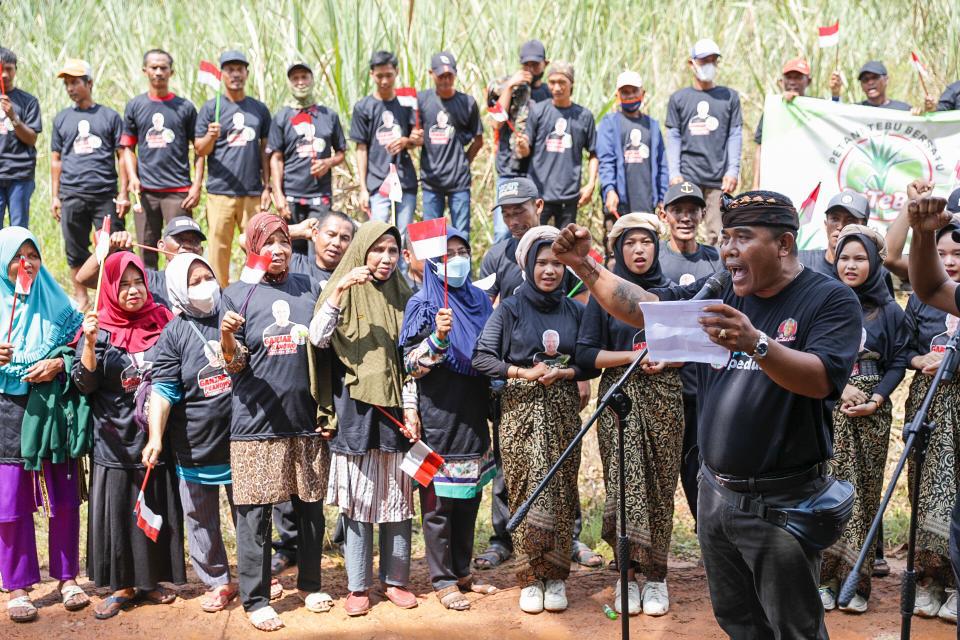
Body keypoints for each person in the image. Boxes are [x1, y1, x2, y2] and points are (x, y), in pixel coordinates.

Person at [552, 190, 862, 638]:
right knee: (739, 622)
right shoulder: (720, 291)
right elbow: (645, 310)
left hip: (781, 503)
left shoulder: (828, 300)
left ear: (784, 244)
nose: (728, 249)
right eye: (725, 237)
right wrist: (584, 265)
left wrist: (756, 343)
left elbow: (820, 380)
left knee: (794, 627)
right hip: (715, 496)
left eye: (742, 238)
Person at [473, 177, 597, 572]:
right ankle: (504, 536)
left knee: (564, 462)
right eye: (506, 213)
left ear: (538, 206)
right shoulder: (495, 257)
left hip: (560, 382)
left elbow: (580, 316)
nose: (513, 219)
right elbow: (488, 312)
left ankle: (570, 536)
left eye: (519, 210)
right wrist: (513, 374)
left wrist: (580, 376)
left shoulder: (564, 252)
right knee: (510, 465)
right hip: (514, 387)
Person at [218, 213, 328, 631]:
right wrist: (227, 336)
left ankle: (311, 583)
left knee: (311, 509)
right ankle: (256, 598)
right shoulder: (238, 295)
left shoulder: (310, 288)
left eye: (284, 241)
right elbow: (232, 365)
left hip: (306, 421)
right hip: (255, 426)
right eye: (268, 242)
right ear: (253, 248)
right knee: (254, 516)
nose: (278, 249)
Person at [577, 213, 684, 616]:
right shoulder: (603, 295)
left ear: (657, 247)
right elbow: (586, 355)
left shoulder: (671, 294)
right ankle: (625, 575)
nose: (638, 250)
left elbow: (690, 351)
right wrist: (634, 356)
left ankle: (655, 577)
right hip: (620, 399)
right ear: (617, 250)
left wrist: (668, 361)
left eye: (646, 242)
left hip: (665, 400)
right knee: (624, 486)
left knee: (659, 488)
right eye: (629, 243)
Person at [308, 221, 417, 617]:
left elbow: (408, 361)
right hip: (353, 410)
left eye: (392, 251)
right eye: (378, 250)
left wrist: (412, 406)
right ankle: (357, 586)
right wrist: (340, 289)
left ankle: (396, 580)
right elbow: (318, 337)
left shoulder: (405, 294)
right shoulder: (339, 290)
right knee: (357, 501)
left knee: (397, 497)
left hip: (395, 411)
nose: (386, 259)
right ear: (361, 252)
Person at [73, 251, 185, 620]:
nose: (134, 290)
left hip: (155, 433)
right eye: (124, 285)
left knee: (153, 501)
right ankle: (122, 585)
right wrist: (89, 344)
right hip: (114, 438)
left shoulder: (163, 319)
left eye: (139, 283)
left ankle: (151, 580)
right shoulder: (98, 327)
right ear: (110, 289)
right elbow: (85, 383)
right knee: (120, 509)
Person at [399, 226, 497, 610]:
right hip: (438, 415)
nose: (457, 260)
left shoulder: (478, 300)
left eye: (462, 251)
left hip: (473, 415)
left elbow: (491, 350)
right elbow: (409, 364)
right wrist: (437, 339)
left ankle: (462, 572)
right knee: (438, 505)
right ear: (433, 263)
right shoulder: (423, 305)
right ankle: (441, 581)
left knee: (469, 500)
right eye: (447, 254)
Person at [818, 225, 907, 614]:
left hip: (871, 414)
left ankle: (857, 582)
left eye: (860, 259)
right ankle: (824, 579)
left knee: (863, 494)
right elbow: (812, 356)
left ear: (873, 264)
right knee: (824, 490)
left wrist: (875, 397)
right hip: (827, 409)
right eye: (844, 258)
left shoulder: (888, 311)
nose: (850, 266)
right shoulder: (822, 304)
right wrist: (839, 391)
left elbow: (899, 361)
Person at [0, 227, 87, 623]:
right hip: (7, 409)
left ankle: (68, 578)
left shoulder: (58, 302)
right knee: (11, 501)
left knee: (64, 495)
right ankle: (17, 586)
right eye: (18, 256)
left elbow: (83, 347)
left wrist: (58, 364)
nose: (26, 263)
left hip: (53, 407)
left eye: (32, 254)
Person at [142, 253, 237, 613]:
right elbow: (163, 393)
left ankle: (257, 572)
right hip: (194, 442)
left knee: (249, 512)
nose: (204, 286)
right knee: (200, 516)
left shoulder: (231, 313)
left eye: (207, 277)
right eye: (194, 281)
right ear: (179, 289)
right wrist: (155, 438)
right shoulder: (174, 334)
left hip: (241, 437)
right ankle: (217, 581)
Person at [270, 209, 354, 578]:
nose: (336, 243)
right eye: (330, 234)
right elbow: (254, 241)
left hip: (338, 385)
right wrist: (294, 230)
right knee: (293, 469)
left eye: (344, 238)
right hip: (297, 382)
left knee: (341, 466)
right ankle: (288, 544)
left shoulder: (354, 275)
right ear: (315, 234)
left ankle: (342, 533)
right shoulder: (297, 269)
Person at [901, 211, 960, 621]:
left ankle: (956, 585)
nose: (950, 260)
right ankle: (929, 580)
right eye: (941, 252)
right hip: (930, 404)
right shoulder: (929, 299)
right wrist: (919, 358)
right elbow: (900, 348)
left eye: (957, 253)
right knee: (928, 494)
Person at [656, 181, 722, 520]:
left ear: (702, 214)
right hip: (666, 383)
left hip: (707, 385)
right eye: (678, 210)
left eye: (692, 210)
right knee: (666, 465)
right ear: (663, 214)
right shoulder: (656, 260)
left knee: (705, 463)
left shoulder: (715, 260)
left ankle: (707, 535)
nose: (685, 217)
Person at [52, 58, 128, 310]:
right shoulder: (62, 119)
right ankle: (82, 296)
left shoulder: (109, 116)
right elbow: (56, 160)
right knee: (74, 247)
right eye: (67, 84)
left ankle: (112, 294)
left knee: (111, 246)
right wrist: (55, 196)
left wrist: (124, 192)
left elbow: (122, 155)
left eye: (75, 82)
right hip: (71, 193)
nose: (71, 88)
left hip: (104, 193)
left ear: (89, 83)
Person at [121, 49, 204, 270]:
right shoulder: (135, 106)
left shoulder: (184, 107)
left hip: (178, 192)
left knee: (182, 248)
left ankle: (182, 298)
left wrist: (196, 186)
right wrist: (132, 178)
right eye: (154, 67)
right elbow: (127, 148)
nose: (158, 72)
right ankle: (151, 298)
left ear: (171, 72)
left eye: (163, 68)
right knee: (147, 248)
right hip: (146, 192)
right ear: (145, 70)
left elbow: (199, 151)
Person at [194, 50, 271, 286]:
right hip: (220, 193)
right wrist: (210, 136)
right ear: (222, 74)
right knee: (219, 251)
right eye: (229, 70)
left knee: (257, 247)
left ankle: (257, 295)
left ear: (246, 73)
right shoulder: (211, 108)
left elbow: (265, 152)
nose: (235, 74)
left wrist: (267, 187)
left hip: (252, 193)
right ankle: (221, 299)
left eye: (239, 69)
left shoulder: (259, 109)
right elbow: (200, 150)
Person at [666, 38, 742, 246]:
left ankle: (716, 276)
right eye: (703, 61)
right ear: (691, 64)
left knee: (717, 235)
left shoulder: (729, 97)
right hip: (687, 178)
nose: (708, 65)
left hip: (718, 179)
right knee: (683, 228)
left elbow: (735, 134)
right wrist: (674, 173)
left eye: (712, 60)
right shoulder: (679, 98)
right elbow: (673, 137)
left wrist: (732, 170)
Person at [268, 62, 346, 255]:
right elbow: (276, 158)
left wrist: (327, 162)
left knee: (318, 252)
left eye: (304, 77)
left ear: (312, 80)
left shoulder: (329, 115)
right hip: (291, 196)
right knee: (292, 253)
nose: (300, 82)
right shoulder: (282, 117)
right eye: (295, 78)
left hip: (320, 197)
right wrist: (278, 195)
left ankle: (318, 286)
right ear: (289, 83)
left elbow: (341, 152)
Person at [516, 61, 597, 228]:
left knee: (565, 247)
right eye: (552, 82)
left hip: (569, 196)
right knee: (535, 245)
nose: (557, 88)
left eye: (562, 82)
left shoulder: (584, 116)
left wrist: (590, 184)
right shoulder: (538, 111)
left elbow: (594, 153)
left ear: (571, 84)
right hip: (539, 195)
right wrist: (522, 145)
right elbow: (524, 152)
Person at [350, 51, 422, 234]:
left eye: (388, 75)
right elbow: (361, 149)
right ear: (371, 74)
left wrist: (406, 141)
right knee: (377, 234)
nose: (384, 81)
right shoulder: (363, 107)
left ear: (396, 72)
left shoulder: (406, 103)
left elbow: (417, 138)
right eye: (379, 76)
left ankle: (403, 265)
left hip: (405, 179)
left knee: (403, 234)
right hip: (377, 182)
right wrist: (363, 189)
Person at [489, 39, 552, 242]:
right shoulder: (507, 86)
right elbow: (495, 123)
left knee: (534, 229)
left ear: (545, 64)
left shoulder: (550, 93)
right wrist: (509, 87)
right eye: (527, 65)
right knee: (503, 230)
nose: (531, 69)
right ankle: (502, 271)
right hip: (509, 168)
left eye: (536, 64)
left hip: (536, 171)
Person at [75, 215, 206, 310]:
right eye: (180, 239)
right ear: (161, 245)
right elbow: (85, 279)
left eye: (194, 241)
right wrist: (109, 247)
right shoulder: (145, 280)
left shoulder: (209, 284)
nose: (187, 246)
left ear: (201, 251)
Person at [419, 52, 483, 236]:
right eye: (441, 76)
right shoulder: (422, 100)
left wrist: (463, 162)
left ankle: (461, 266)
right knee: (431, 234)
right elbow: (414, 133)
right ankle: (432, 266)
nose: (445, 80)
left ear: (455, 74)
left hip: (459, 183)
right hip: (431, 181)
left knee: (460, 234)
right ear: (431, 73)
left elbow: (478, 140)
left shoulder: (467, 102)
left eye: (449, 75)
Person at [752, 58, 842, 188]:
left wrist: (835, 94)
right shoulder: (773, 109)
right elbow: (760, 148)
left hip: (809, 181)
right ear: (782, 81)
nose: (793, 82)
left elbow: (836, 120)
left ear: (808, 81)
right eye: (789, 77)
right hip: (777, 180)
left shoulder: (817, 107)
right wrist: (756, 185)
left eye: (798, 77)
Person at [597, 71, 668, 221]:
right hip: (618, 204)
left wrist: (663, 198)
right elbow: (606, 161)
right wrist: (610, 190)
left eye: (634, 91)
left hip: (647, 205)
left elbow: (662, 165)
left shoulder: (652, 126)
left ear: (643, 92)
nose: (630, 96)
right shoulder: (609, 123)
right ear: (617, 95)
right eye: (625, 92)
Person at [0, 47, 41, 228]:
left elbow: (31, 138)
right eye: (1, 69)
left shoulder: (28, 101)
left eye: (9, 69)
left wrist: (13, 117)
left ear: (15, 70)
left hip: (20, 174)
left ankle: (20, 258)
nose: (5, 74)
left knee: (19, 229)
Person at [402, 229, 426, 293]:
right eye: (424, 253)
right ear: (407, 256)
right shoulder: (400, 288)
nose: (431, 259)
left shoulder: (444, 286)